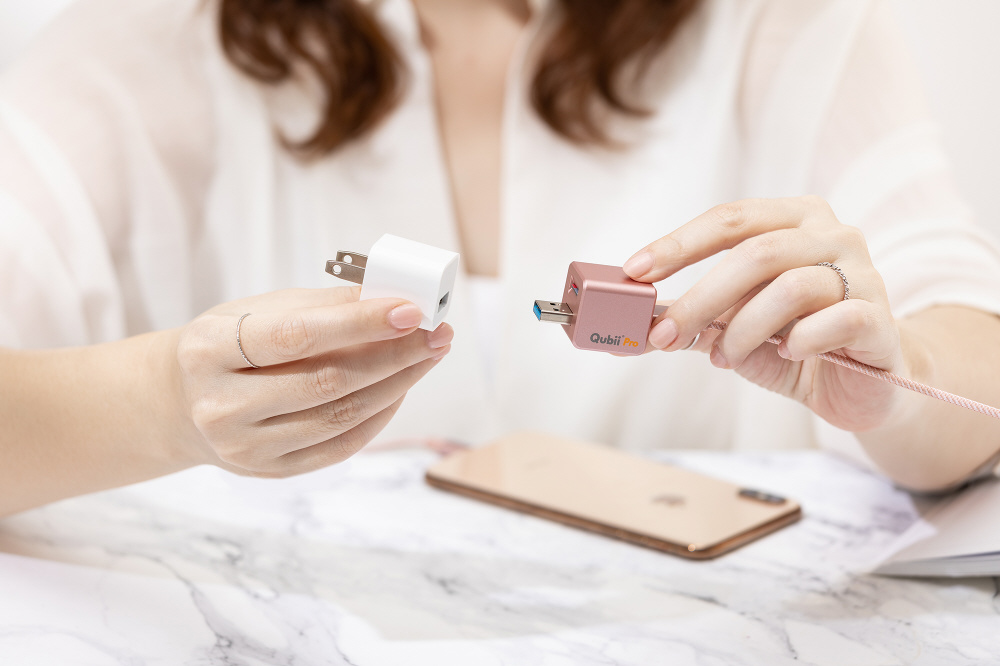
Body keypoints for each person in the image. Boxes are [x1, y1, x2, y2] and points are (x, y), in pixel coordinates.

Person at [2, 0, 999, 518]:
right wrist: (165, 403)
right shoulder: (145, 42)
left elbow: (974, 369)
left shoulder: (786, 24)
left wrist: (898, 382)